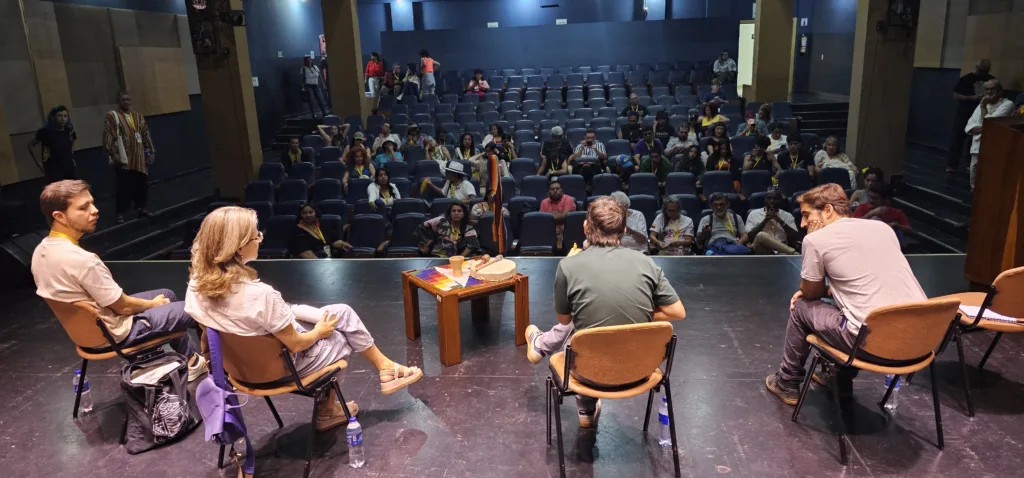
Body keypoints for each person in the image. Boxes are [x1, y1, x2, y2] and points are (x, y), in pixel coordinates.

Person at [184, 206, 422, 435]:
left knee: (342, 312)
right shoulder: (261, 295)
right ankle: (328, 411)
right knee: (340, 336)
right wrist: (319, 332)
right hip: (281, 368)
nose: (260, 238)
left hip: (238, 369)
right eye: (256, 235)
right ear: (238, 248)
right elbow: (297, 344)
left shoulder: (195, 287)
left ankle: (385, 367)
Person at [523, 196, 687, 429]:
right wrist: (641, 312)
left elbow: (564, 319)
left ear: (586, 227)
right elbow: (677, 312)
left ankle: (584, 407)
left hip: (588, 375)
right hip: (640, 371)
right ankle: (544, 347)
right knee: (594, 324)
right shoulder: (646, 263)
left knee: (582, 329)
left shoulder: (568, 266)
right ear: (624, 230)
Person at [764, 184, 926, 405]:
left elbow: (810, 293)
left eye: (806, 215)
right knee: (848, 308)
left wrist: (814, 249)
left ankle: (787, 381)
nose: (802, 224)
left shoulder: (816, 240)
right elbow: (868, 282)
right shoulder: (883, 229)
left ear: (828, 210)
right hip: (919, 342)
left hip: (873, 345)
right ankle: (838, 381)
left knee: (802, 306)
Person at [32, 180, 204, 374]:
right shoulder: (83, 260)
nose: (95, 210)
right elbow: (124, 307)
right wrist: (153, 305)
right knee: (196, 310)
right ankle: (218, 372)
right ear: (59, 216)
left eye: (92, 203)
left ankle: (190, 362)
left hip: (88, 331)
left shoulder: (41, 251)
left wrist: (155, 303)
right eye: (84, 207)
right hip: (115, 332)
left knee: (167, 294)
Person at [103, 91, 156, 224]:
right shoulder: (113, 116)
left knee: (141, 184)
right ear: (118, 102)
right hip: (123, 157)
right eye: (123, 100)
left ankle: (141, 208)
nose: (126, 102)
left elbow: (146, 135)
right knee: (124, 186)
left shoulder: (138, 117)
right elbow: (108, 135)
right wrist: (113, 153)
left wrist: (150, 152)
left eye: (128, 100)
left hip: (139, 157)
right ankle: (120, 213)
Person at [966, 78, 1015, 190]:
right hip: (977, 146)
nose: (990, 92)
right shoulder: (980, 105)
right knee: (974, 173)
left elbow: (990, 123)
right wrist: (985, 128)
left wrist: (983, 106)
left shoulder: (1007, 104)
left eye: (993, 89)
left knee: (991, 176)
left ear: (1000, 91)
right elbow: (969, 127)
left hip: (996, 147)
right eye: (987, 89)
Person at [948, 59, 994, 173]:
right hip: (965, 112)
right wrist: (971, 98)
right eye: (981, 70)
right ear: (976, 67)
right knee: (958, 138)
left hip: (981, 113)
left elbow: (997, 96)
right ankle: (952, 165)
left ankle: (969, 163)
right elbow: (955, 96)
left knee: (975, 140)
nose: (983, 73)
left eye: (985, 71)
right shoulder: (966, 79)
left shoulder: (992, 80)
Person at [29, 105, 78, 184]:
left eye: (65, 116)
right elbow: (30, 145)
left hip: (69, 168)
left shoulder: (69, 130)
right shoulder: (45, 132)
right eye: (59, 116)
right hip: (53, 170)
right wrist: (39, 164)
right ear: (53, 117)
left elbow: (72, 143)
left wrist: (71, 158)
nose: (63, 119)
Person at [745, 186, 799, 255]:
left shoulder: (787, 216)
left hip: (781, 249)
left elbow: (795, 237)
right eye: (769, 198)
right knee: (761, 235)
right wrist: (765, 221)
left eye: (775, 199)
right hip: (761, 249)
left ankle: (789, 253)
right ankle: (794, 253)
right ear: (765, 200)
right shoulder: (754, 214)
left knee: (783, 256)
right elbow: (749, 237)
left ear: (780, 201)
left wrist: (781, 222)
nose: (772, 201)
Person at [413, 202, 480, 257]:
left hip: (455, 258)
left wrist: (460, 257)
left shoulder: (467, 227)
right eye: (453, 211)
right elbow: (421, 228)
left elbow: (473, 245)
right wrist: (425, 244)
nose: (456, 213)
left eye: (459, 211)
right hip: (436, 256)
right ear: (450, 213)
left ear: (464, 214)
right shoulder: (441, 221)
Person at [539, 178, 577, 249]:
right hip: (549, 233)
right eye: (552, 189)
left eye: (557, 188)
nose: (555, 191)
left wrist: (550, 217)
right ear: (548, 192)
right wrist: (558, 217)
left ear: (562, 190)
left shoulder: (568, 199)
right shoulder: (544, 202)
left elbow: (564, 217)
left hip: (566, 233)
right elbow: (542, 222)